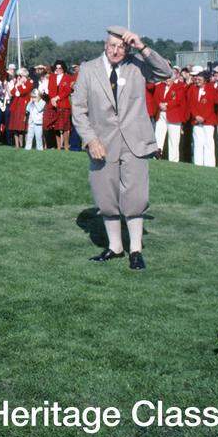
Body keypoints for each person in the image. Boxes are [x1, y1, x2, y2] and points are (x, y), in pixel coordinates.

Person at [72, 27, 173, 271]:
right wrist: (90, 139)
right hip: (102, 144)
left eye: (121, 46)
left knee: (136, 197)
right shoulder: (88, 70)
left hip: (135, 141)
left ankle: (135, 250)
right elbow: (79, 109)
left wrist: (141, 45)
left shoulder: (137, 64)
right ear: (104, 45)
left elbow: (165, 72)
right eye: (112, 46)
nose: (116, 51)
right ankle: (115, 247)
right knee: (106, 196)